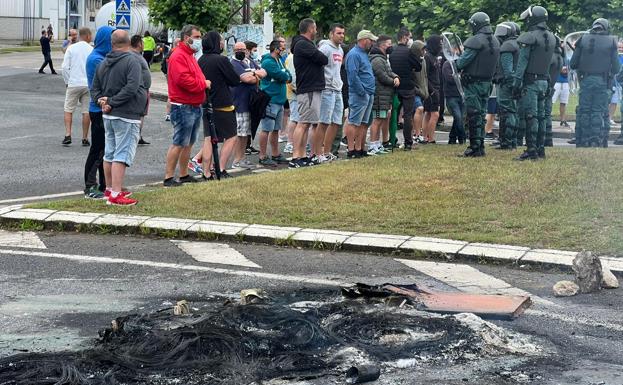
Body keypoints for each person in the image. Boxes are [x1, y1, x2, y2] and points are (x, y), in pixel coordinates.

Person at [91, 29, 147, 206]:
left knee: (110, 152)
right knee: (121, 154)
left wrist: (102, 102)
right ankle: (116, 193)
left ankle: (109, 189)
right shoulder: (132, 61)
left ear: (112, 43)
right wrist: (113, 102)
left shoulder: (104, 62)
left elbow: (94, 88)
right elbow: (132, 88)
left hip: (108, 115)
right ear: (129, 42)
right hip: (127, 114)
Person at [163, 25, 210, 187]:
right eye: (196, 37)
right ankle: (169, 177)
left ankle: (183, 174)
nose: (199, 40)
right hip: (183, 105)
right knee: (179, 142)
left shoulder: (189, 54)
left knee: (188, 142)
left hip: (193, 104)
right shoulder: (179, 55)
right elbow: (184, 80)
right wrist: (203, 84)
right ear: (186, 38)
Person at [196, 31, 244, 177]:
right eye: (221, 41)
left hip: (206, 103)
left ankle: (206, 171)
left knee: (209, 138)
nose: (223, 44)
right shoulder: (221, 60)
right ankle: (221, 168)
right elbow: (235, 80)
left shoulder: (201, 60)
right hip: (223, 103)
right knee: (231, 136)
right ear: (216, 43)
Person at [512, 6, 557, 159]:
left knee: (531, 117)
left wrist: (516, 83)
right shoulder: (551, 37)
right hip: (545, 81)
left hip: (531, 82)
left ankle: (531, 150)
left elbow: (522, 62)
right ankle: (540, 149)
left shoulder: (530, 36)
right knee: (542, 117)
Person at [456, 12, 500, 157]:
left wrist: (456, 62)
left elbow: (463, 62)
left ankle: (475, 147)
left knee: (474, 115)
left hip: (473, 83)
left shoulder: (475, 41)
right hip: (487, 83)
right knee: (481, 114)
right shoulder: (494, 40)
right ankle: (480, 146)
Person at [570, 18, 619, 148]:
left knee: (584, 110)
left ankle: (584, 140)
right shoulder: (612, 42)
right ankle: (595, 140)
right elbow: (616, 68)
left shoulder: (582, 40)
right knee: (598, 111)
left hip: (585, 81)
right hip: (603, 81)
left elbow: (573, 63)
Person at [290, 18, 329, 167]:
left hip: (310, 89)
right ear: (310, 29)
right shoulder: (303, 44)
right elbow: (323, 59)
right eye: (315, 28)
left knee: (306, 123)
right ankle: (295, 158)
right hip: (308, 89)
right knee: (303, 123)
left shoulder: (304, 45)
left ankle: (302, 155)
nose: (316, 31)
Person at [84, 25, 114, 200]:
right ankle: (90, 186)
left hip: (104, 109)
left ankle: (105, 184)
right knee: (97, 150)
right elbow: (105, 85)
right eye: (111, 40)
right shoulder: (96, 59)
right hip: (98, 109)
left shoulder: (102, 57)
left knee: (106, 150)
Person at [231, 41, 267, 169]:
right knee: (240, 134)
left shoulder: (249, 61)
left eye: (243, 49)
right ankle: (237, 160)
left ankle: (243, 158)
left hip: (251, 103)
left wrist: (254, 75)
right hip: (240, 103)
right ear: (234, 51)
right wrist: (256, 75)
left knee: (246, 134)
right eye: (238, 49)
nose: (241, 51)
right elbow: (247, 79)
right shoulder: (233, 64)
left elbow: (263, 72)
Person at [256, 39, 292, 166]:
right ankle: (262, 156)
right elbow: (282, 76)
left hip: (280, 100)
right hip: (270, 100)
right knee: (266, 129)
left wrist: (285, 75)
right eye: (282, 48)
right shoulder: (268, 62)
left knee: (276, 129)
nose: (283, 50)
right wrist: (284, 76)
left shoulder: (279, 61)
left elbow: (288, 75)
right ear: (276, 49)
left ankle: (276, 154)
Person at [344, 30, 377, 158]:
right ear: (364, 40)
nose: (372, 43)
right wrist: (362, 91)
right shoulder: (354, 54)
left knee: (363, 123)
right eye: (371, 40)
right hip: (360, 93)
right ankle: (351, 150)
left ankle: (359, 148)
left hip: (368, 93)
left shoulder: (363, 53)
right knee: (354, 122)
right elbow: (353, 75)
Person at [315, 23, 345, 162]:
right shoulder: (325, 48)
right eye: (338, 33)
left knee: (336, 122)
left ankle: (327, 152)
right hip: (326, 88)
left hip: (337, 88)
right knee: (324, 122)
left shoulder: (340, 50)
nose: (341, 36)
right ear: (331, 34)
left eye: (343, 33)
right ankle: (317, 153)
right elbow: (317, 66)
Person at [389, 27, 422, 150]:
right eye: (409, 37)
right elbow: (418, 67)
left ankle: (391, 139)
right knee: (408, 115)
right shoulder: (409, 52)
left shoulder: (392, 51)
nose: (410, 39)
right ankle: (408, 142)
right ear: (404, 37)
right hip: (408, 87)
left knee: (393, 113)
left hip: (395, 86)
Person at [61, 27, 93, 146]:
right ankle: (85, 138)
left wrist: (67, 81)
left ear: (80, 36)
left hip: (74, 83)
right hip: (87, 84)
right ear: (88, 36)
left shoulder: (71, 48)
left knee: (68, 109)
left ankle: (68, 134)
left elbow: (64, 67)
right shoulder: (91, 49)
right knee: (86, 111)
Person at [368, 35, 399, 155]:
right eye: (389, 44)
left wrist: (395, 76)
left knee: (381, 119)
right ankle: (372, 145)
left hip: (385, 95)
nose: (391, 46)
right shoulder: (377, 59)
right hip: (379, 95)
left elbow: (389, 72)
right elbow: (382, 75)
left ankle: (377, 144)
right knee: (377, 120)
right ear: (382, 45)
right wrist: (393, 82)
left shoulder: (383, 58)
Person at [493, 21, 520, 150]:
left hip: (506, 85)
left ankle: (507, 142)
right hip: (514, 84)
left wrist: (510, 85)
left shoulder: (507, 46)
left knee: (506, 112)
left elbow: (508, 70)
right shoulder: (517, 44)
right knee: (512, 112)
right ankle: (512, 141)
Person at [130, 34, 152, 145]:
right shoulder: (134, 56)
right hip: (139, 90)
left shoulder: (137, 55)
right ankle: (136, 136)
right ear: (139, 44)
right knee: (139, 114)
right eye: (142, 42)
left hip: (142, 89)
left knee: (141, 114)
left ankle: (138, 135)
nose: (143, 44)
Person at [423, 35, 442, 144]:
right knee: (435, 114)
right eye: (439, 43)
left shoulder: (433, 56)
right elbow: (425, 76)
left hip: (435, 87)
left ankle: (425, 136)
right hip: (431, 89)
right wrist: (432, 90)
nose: (441, 46)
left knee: (428, 113)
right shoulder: (427, 57)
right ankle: (430, 138)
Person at [544, 41, 564, 147]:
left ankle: (544, 139)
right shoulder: (559, 57)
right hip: (551, 86)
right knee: (547, 114)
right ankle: (548, 139)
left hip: (546, 86)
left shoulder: (551, 57)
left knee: (542, 114)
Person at [442, 59, 465, 144]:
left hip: (461, 95)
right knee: (458, 117)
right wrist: (460, 76)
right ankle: (462, 138)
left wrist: (457, 76)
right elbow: (449, 79)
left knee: (459, 118)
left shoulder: (462, 63)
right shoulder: (447, 64)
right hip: (451, 95)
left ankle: (452, 138)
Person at [411, 40, 428, 145]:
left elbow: (425, 77)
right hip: (415, 91)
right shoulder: (412, 61)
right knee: (419, 109)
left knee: (416, 112)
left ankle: (416, 132)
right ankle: (417, 134)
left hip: (422, 91)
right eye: (422, 49)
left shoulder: (423, 60)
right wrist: (417, 90)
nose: (424, 51)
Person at [552, 40, 570, 128]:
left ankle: (563, 119)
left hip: (565, 82)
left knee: (564, 102)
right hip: (556, 82)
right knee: (551, 101)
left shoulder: (566, 58)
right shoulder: (554, 56)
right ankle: (547, 118)